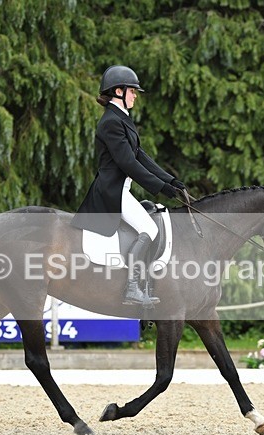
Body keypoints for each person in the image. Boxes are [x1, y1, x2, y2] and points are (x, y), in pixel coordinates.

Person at [72, 65, 186, 307]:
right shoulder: (110, 122)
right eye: (132, 91)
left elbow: (141, 156)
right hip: (110, 192)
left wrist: (170, 180)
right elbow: (128, 163)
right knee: (149, 228)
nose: (135, 95)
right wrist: (161, 188)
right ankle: (132, 288)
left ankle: (138, 285)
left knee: (148, 225)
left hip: (120, 190)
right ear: (118, 91)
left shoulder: (121, 119)